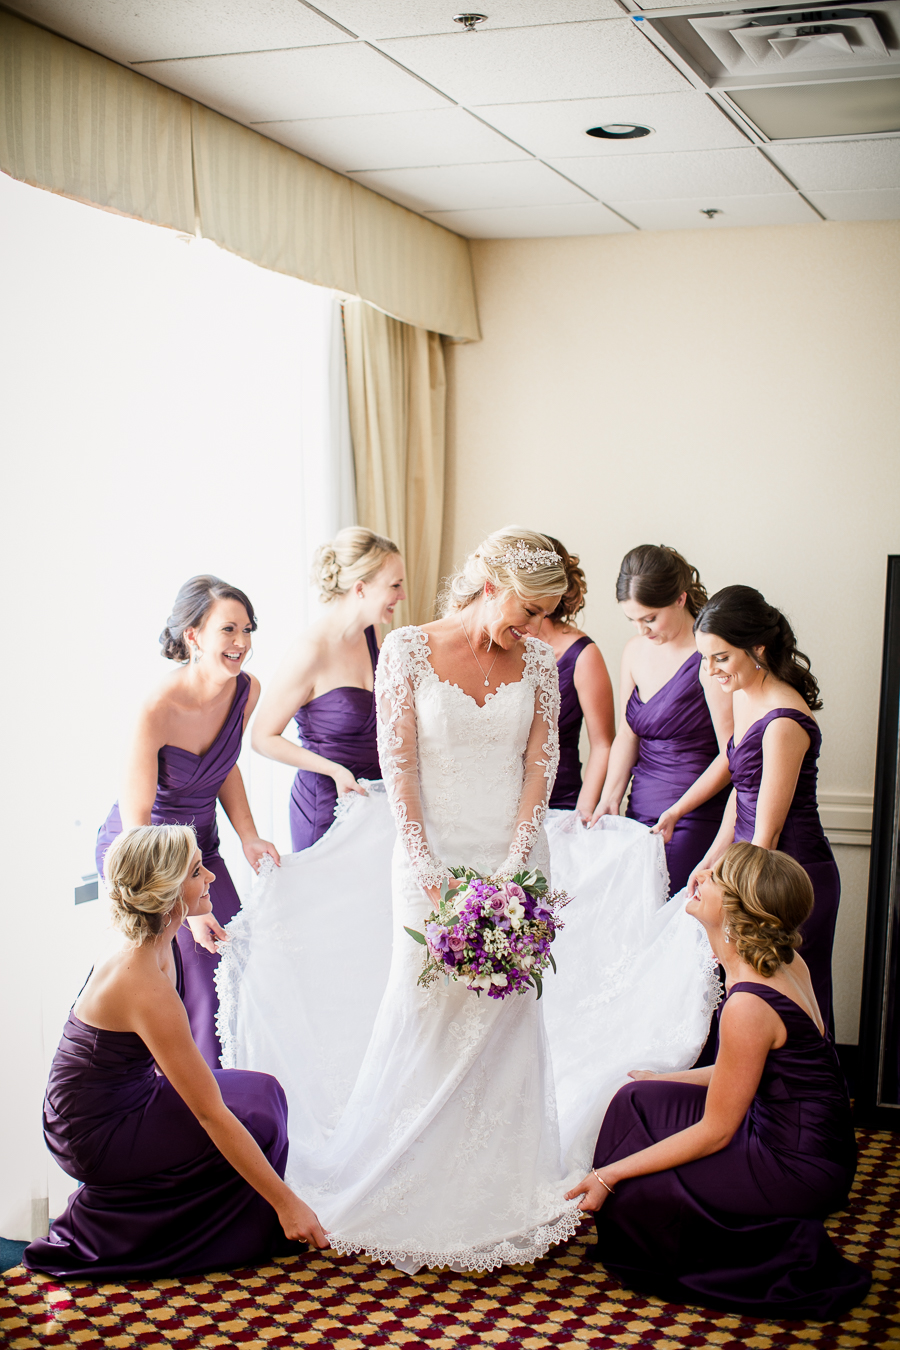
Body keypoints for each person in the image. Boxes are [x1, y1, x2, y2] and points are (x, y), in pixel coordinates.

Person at [216, 527, 720, 1275]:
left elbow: (541, 761)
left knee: (507, 1011)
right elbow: (401, 762)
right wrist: (423, 860)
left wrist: (520, 856)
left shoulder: (542, 662)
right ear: (490, 582)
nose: (530, 627)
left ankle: (496, 1186)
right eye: (524, 610)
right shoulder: (409, 650)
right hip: (426, 858)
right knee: (425, 1004)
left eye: (544, 613)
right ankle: (404, 1172)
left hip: (516, 853)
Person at [567, 842, 869, 1320]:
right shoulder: (784, 961)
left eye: (715, 876)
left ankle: (736, 1251)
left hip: (798, 1166)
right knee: (635, 1099)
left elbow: (716, 1131)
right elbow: (757, 1067)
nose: (700, 875)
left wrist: (611, 1174)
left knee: (639, 1185)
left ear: (737, 909)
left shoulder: (749, 1002)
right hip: (798, 1134)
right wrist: (667, 1078)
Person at [24, 825, 326, 1280]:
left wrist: (195, 913)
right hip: (92, 1131)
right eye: (196, 872)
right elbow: (210, 1114)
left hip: (126, 1096)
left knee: (265, 1093)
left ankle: (237, 1219)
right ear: (166, 893)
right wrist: (288, 1202)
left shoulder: (159, 934)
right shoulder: (140, 978)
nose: (211, 877)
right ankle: (219, 1232)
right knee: (252, 1119)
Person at [96, 575, 278, 1068]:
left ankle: (227, 1088)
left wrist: (248, 836)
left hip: (202, 845)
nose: (241, 643)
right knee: (194, 975)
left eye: (247, 629)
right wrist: (189, 907)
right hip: (148, 859)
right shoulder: (156, 708)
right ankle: (194, 1107)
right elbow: (136, 832)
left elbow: (225, 764)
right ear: (193, 637)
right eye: (228, 630)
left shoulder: (247, 690)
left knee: (235, 956)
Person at [690, 585, 840, 1033]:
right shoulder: (741, 693)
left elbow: (767, 835)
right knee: (743, 993)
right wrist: (711, 859)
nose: (711, 669)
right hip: (749, 862)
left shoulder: (784, 720)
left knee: (783, 1003)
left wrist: (730, 884)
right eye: (704, 657)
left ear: (757, 648)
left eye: (721, 657)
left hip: (786, 873)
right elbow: (742, 791)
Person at [251, 528, 405, 851]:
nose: (402, 596)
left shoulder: (372, 634)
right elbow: (262, 738)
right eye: (395, 585)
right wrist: (333, 770)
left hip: (374, 802)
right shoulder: (310, 651)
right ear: (360, 588)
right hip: (326, 803)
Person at [592, 545, 732, 894]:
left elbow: (732, 753)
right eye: (633, 620)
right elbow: (628, 733)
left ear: (681, 599)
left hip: (693, 815)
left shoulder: (711, 657)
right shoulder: (634, 651)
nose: (642, 630)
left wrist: (679, 809)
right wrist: (611, 796)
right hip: (638, 808)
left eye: (650, 618)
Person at [539, 535, 615, 817]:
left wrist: (581, 815)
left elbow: (603, 744)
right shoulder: (502, 643)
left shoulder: (583, 655)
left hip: (560, 804)